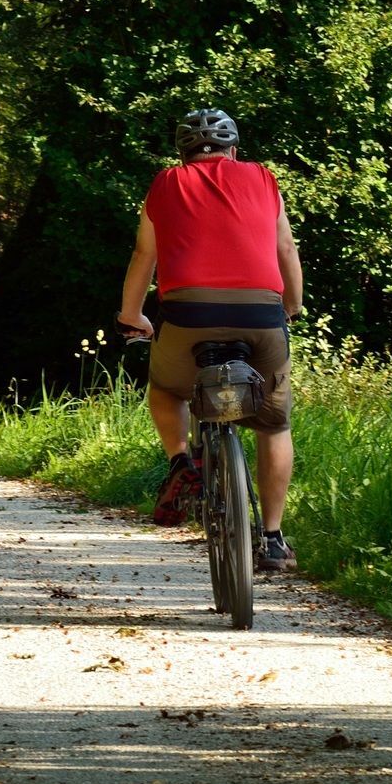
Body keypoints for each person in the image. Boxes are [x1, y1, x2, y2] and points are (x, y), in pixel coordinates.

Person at [116, 109, 303, 571]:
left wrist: (131, 315)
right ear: (233, 149)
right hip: (260, 312)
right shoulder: (263, 178)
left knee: (165, 388)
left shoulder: (166, 183)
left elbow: (145, 253)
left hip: (187, 313)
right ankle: (274, 538)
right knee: (274, 424)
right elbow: (285, 248)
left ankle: (181, 463)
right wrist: (292, 306)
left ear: (183, 154)